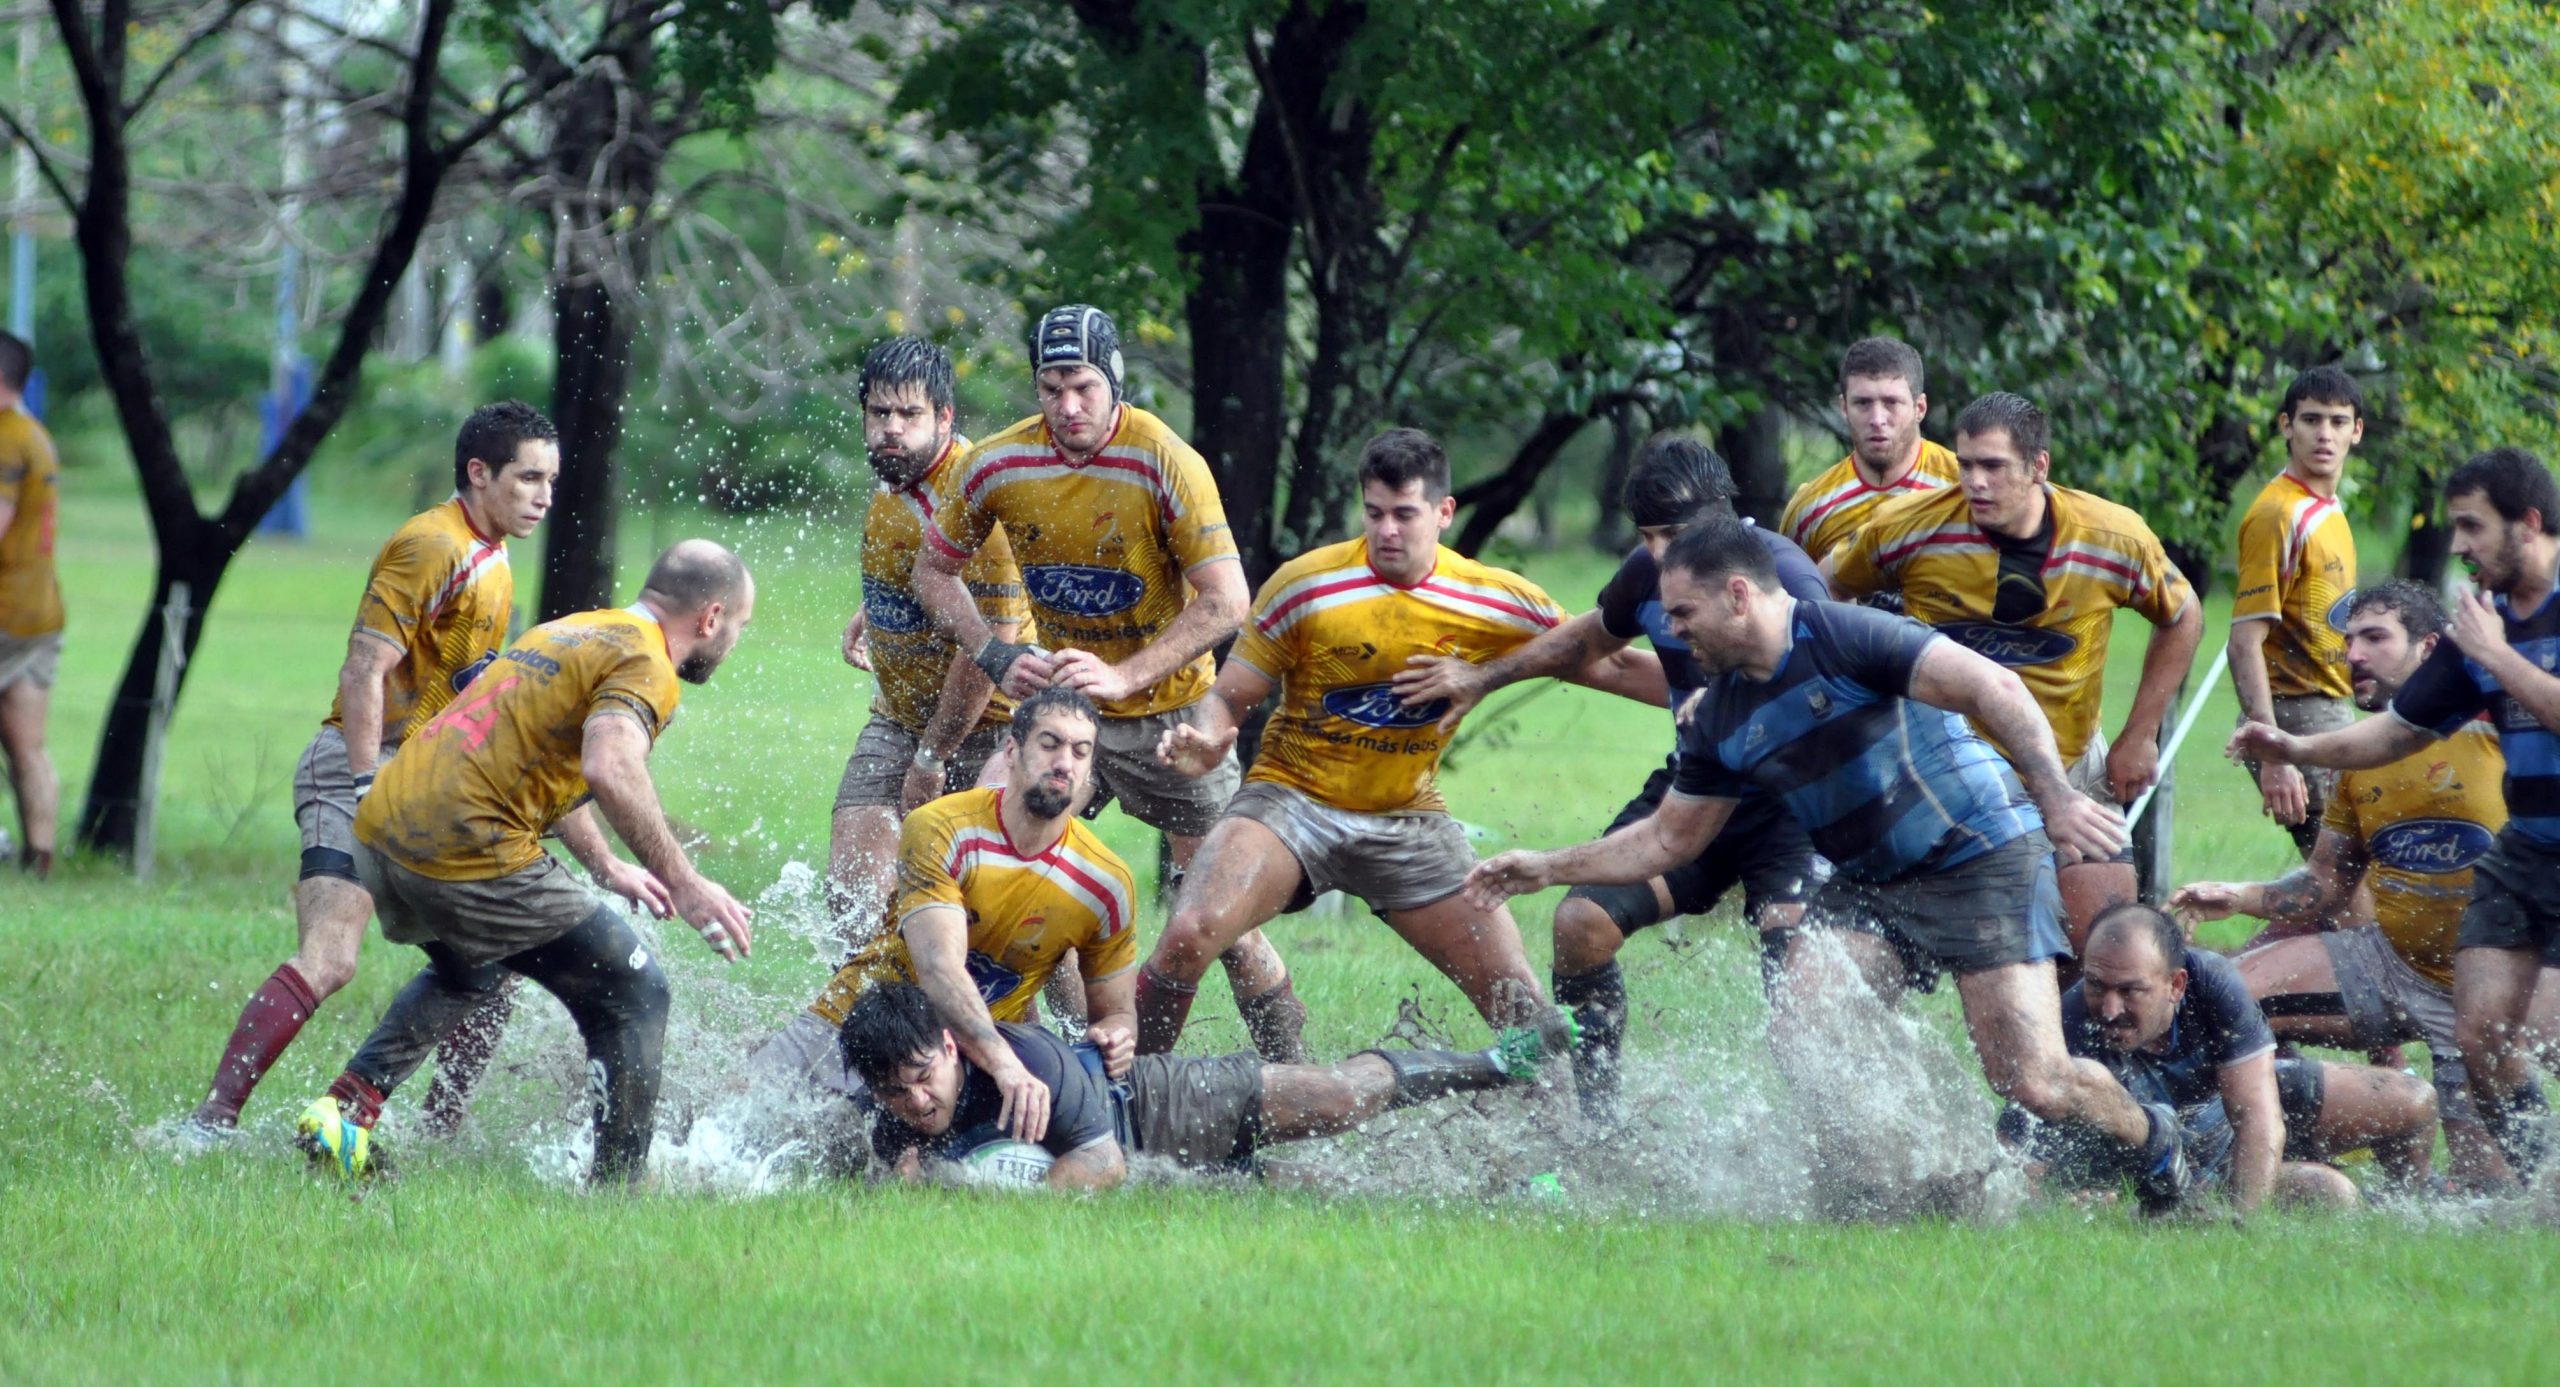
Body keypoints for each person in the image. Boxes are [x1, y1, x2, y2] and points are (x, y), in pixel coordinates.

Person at [1464, 517, 2193, 1214]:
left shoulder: (1843, 635)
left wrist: (2056, 795)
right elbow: (1670, 839)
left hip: (1979, 856)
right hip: (1870, 882)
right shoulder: (1717, 717)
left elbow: (1992, 687)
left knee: (2031, 1079)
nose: (1673, 631)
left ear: (1738, 595)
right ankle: (1883, 1186)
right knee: (1803, 1025)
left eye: (1683, 613)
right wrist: (1549, 866)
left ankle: (2156, 1140)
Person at [1132, 428, 1608, 1060]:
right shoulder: (1307, 585)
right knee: (1190, 930)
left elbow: (1602, 659)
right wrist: (1212, 736)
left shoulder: (1490, 598)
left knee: (1521, 1004)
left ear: (1443, 512)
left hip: (1407, 817)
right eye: (1375, 512)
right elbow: (1230, 696)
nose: (1387, 530)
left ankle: (1561, 1139)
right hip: (1290, 801)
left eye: (1405, 514)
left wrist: (1705, 688)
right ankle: (1129, 1097)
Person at [293, 541, 757, 1184]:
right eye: (739, 626)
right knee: (634, 988)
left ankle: (344, 1112)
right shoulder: (649, 662)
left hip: (378, 831)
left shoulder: (571, 629)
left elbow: (537, 757)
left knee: (474, 968)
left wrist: (605, 867)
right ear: (710, 618)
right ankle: (616, 1194)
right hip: (462, 846)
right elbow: (610, 765)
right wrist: (688, 882)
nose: (734, 641)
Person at [911, 304, 1301, 1060]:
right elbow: (933, 569)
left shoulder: (1164, 459)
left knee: (1226, 925)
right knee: (1005, 870)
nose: (1068, 406)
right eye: (1050, 387)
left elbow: (1229, 599)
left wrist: (1125, 675)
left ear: (1114, 379)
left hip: (1174, 716)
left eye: (1083, 386)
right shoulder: (995, 463)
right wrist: (992, 654)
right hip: (1065, 711)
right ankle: (1066, 1062)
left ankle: (1288, 1080)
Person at [1390, 435, 1826, 1112]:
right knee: (1580, 924)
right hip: (1694, 790)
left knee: (1801, 1005)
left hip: (1794, 806)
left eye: (1673, 534)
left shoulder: (1788, 577)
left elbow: (1834, 689)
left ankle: (1842, 1158)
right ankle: (1596, 1121)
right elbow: (1591, 640)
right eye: (1647, 536)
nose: (1659, 554)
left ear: (1723, 517)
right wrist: (1483, 677)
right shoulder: (1649, 573)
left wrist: (1744, 704)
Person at [188, 402, 559, 1139]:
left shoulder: (495, 553)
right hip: (355, 769)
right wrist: (366, 784)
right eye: (528, 478)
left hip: (422, 786)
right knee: (330, 956)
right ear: (479, 474)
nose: (544, 495)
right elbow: (364, 668)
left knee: (489, 962)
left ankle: (406, 1125)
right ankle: (207, 1125)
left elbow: (458, 688)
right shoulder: (431, 543)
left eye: (551, 479)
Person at [2232, 447, 2560, 1182]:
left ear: (2529, 521)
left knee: (2543, 1031)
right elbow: (2400, 728)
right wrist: (2293, 742)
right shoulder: (2490, 622)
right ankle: (2547, 1187)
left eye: (2473, 527)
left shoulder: (2490, 635)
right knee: (2481, 1035)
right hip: (2527, 853)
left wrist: (2498, 658)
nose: (2462, 545)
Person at [2173, 581, 2520, 1190]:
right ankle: (2231, 1155)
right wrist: (2239, 897)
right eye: (2348, 641)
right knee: (2225, 991)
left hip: (2490, 988)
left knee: (2488, 1196)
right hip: (2393, 964)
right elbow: (2326, 883)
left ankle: (2413, 1172)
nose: (2351, 654)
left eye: (2375, 638)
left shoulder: (2505, 731)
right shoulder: (2355, 758)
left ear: (2429, 648)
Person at [1826, 391, 2202, 947]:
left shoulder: (2111, 536)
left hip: (2068, 764)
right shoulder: (1907, 526)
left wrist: (2141, 733)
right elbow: (1822, 591)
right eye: (1965, 465)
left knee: (2102, 944)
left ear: (2038, 466)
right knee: (1892, 950)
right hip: (1940, 774)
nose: (1975, 482)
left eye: (1994, 466)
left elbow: (2184, 613)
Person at [746, 688, 1140, 1142]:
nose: (1064, 762)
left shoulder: (1106, 882)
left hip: (966, 1060)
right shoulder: (942, 827)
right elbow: (939, 970)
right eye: (1050, 744)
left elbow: (1115, 1014)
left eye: (1080, 751)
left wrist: (1116, 1037)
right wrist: (1005, 1065)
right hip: (858, 1018)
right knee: (737, 1123)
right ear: (1012, 750)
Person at [840, 981, 1556, 1190]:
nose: (918, 1102)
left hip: (1159, 1105)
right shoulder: (892, 1116)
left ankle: (1494, 1062)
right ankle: (1510, 1192)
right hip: (1149, 1169)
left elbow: (1102, 1164)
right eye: (896, 1094)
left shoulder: (1028, 1057)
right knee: (1308, 1195)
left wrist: (977, 1192)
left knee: (1342, 1097)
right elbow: (889, 1176)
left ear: (949, 1044)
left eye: (923, 1078)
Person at [2017, 903, 2437, 1213]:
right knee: (2330, 1193)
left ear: (2175, 985)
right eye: (2096, 985)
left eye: (2129, 991)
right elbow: (2019, 1155)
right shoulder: (2071, 1023)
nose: (2108, 1008)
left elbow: (2258, 1114)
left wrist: (2242, 1223)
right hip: (2163, 1162)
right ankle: (2227, 1190)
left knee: (2415, 1101)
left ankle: (2405, 1211)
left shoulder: (2211, 983)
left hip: (2225, 1118)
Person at [829, 336, 1032, 937]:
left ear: (945, 417)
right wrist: (873, 607)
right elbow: (915, 564)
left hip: (988, 728)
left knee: (1010, 922)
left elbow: (986, 649)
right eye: (879, 413)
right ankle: (870, 1030)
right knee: (852, 901)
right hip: (897, 716)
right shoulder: (897, 471)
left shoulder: (973, 500)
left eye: (910, 415)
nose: (892, 429)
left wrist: (932, 757)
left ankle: (1084, 1032)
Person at [2229, 368, 2366, 855]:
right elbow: (2243, 642)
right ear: (2287, 426)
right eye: (2311, 420)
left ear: (2357, 430)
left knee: (2354, 884)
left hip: (2333, 706)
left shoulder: (2329, 509)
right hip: (2296, 714)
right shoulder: (2278, 514)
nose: (2324, 434)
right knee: (2351, 886)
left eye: (2336, 421)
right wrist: (2272, 753)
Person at [1777, 337, 1960, 568]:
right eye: (1863, 403)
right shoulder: (1810, 509)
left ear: (1919, 408)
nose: (1877, 420)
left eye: (1891, 403)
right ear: (1844, 408)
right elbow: (1786, 599)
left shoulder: (1963, 487)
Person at [0, 331, 61, 879]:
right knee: (29, 746)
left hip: (2, 613)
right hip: (39, 613)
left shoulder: (3, 439)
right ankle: (38, 858)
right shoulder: (37, 436)